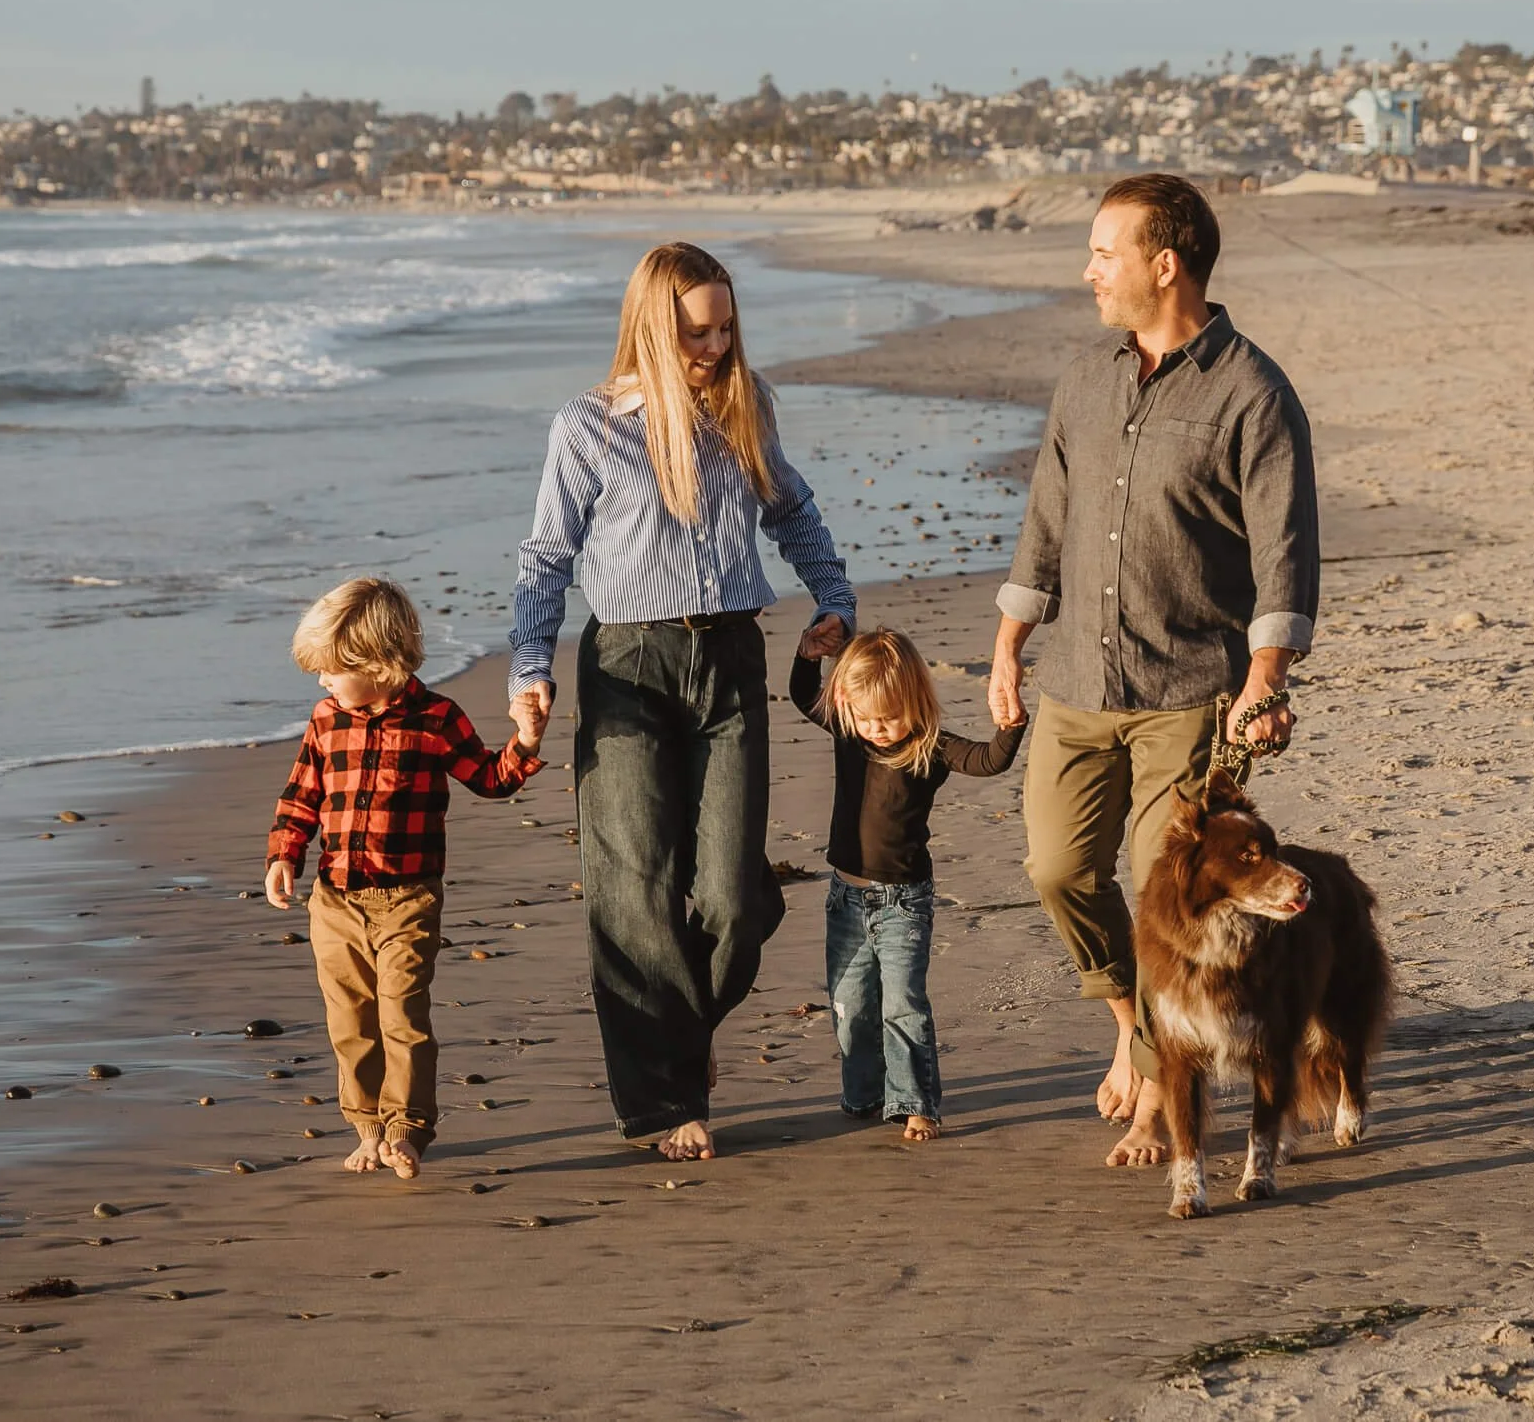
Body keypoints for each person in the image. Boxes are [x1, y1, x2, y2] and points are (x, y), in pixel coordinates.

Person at [986, 173, 1320, 1169]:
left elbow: (1283, 549)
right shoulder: (1084, 382)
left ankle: (1154, 1094)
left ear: (1161, 263)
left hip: (1189, 691)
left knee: (1159, 894)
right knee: (1055, 865)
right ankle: (1132, 1018)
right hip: (1075, 683)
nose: (1087, 270)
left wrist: (1265, 676)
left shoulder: (1253, 393)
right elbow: (1045, 517)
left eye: (1102, 252)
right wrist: (1008, 642)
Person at [510, 242, 855, 1162]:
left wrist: (834, 600)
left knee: (737, 900)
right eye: (695, 331)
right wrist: (530, 668)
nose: (713, 345)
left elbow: (793, 511)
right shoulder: (586, 427)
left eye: (725, 327)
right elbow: (545, 556)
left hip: (731, 656)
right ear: (651, 326)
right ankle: (662, 1103)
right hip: (628, 663)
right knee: (634, 891)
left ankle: (678, 1038)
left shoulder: (747, 405)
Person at [264, 577, 546, 1179]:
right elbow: (302, 794)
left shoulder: (436, 718)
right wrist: (285, 854)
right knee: (350, 1020)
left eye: (331, 669)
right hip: (335, 899)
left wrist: (524, 742)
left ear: (376, 662)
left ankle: (408, 1129)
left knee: (401, 1016)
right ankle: (368, 1126)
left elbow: (491, 779)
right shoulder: (325, 719)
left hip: (409, 899)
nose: (322, 682)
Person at [792, 627, 1024, 1142]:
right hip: (845, 899)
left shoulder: (931, 747)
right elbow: (802, 696)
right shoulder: (850, 734)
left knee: (903, 1004)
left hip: (903, 904)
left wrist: (1011, 725)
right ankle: (863, 1095)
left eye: (890, 717)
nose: (878, 729)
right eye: (867, 717)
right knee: (849, 1004)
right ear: (847, 706)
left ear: (915, 703)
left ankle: (915, 1103)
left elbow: (989, 761)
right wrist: (807, 657)